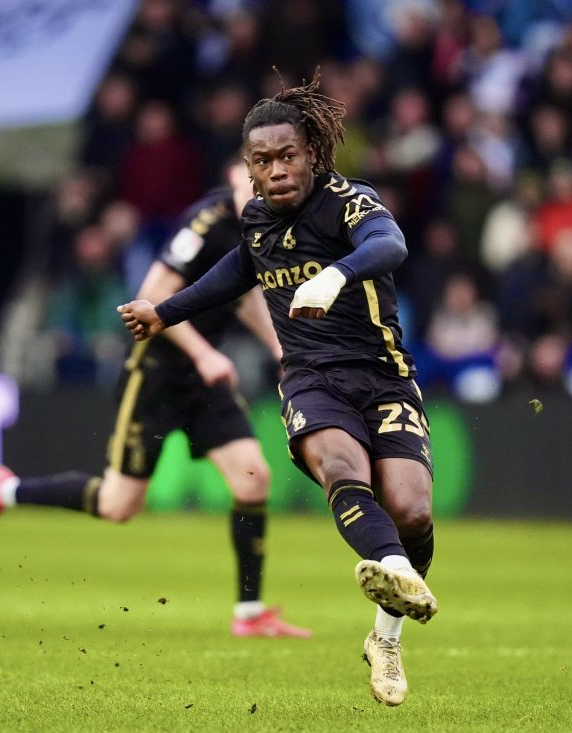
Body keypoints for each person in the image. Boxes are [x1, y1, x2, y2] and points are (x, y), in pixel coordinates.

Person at [117, 71, 438, 707]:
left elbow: (390, 243)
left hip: (384, 376)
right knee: (341, 465)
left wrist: (337, 275)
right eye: (262, 161)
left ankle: (386, 635)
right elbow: (232, 273)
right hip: (311, 380)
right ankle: (393, 568)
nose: (277, 170)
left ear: (313, 154)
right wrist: (163, 312)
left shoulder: (351, 201)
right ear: (249, 169)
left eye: (288, 155)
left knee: (413, 511)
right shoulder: (257, 220)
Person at [0, 163, 311, 640]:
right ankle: (4, 490)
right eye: (249, 182)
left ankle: (249, 614)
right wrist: (207, 354)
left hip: (202, 378)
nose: (257, 194)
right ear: (233, 174)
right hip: (157, 372)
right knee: (118, 504)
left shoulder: (262, 225)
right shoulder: (204, 224)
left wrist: (279, 347)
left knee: (253, 480)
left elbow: (243, 296)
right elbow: (151, 296)